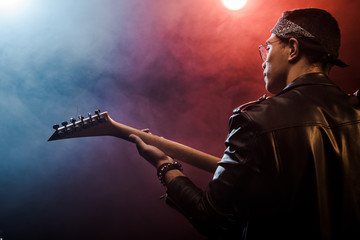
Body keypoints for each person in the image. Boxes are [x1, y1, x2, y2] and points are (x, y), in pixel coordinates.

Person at [129, 8, 360, 240]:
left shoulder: (256, 121)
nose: (264, 60)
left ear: (293, 48)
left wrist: (165, 166)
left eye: (268, 47)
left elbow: (212, 218)